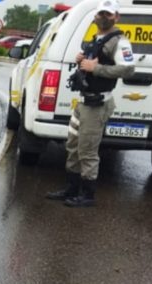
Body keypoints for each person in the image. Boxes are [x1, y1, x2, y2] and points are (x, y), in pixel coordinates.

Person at [46, 0, 135, 207]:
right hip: (84, 102)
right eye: (101, 13)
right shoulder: (96, 39)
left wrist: (96, 69)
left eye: (109, 14)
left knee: (87, 150)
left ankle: (87, 195)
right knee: (73, 145)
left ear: (116, 17)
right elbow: (92, 63)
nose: (104, 17)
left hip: (97, 104)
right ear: (95, 17)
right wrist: (82, 60)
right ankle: (71, 188)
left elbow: (128, 69)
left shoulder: (119, 41)